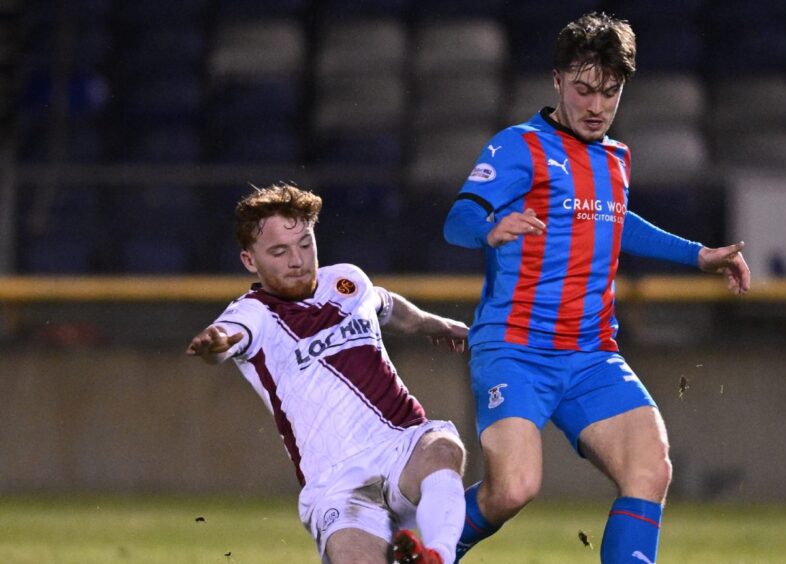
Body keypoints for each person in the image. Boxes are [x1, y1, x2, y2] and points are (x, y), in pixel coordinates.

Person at [443, 12, 751, 564]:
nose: (596, 105)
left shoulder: (616, 157)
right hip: (515, 347)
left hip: (590, 355)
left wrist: (697, 255)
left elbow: (616, 219)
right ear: (557, 80)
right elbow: (458, 218)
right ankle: (424, 548)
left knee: (650, 467)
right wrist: (489, 228)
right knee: (513, 488)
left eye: (610, 92)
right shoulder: (519, 147)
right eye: (584, 89)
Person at [187, 183, 469, 564]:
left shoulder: (346, 281)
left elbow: (389, 306)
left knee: (443, 449)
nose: (297, 259)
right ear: (250, 261)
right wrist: (216, 343)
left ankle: (437, 557)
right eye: (279, 251)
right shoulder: (253, 313)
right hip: (337, 483)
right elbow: (230, 337)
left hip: (402, 444)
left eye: (305, 244)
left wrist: (439, 326)